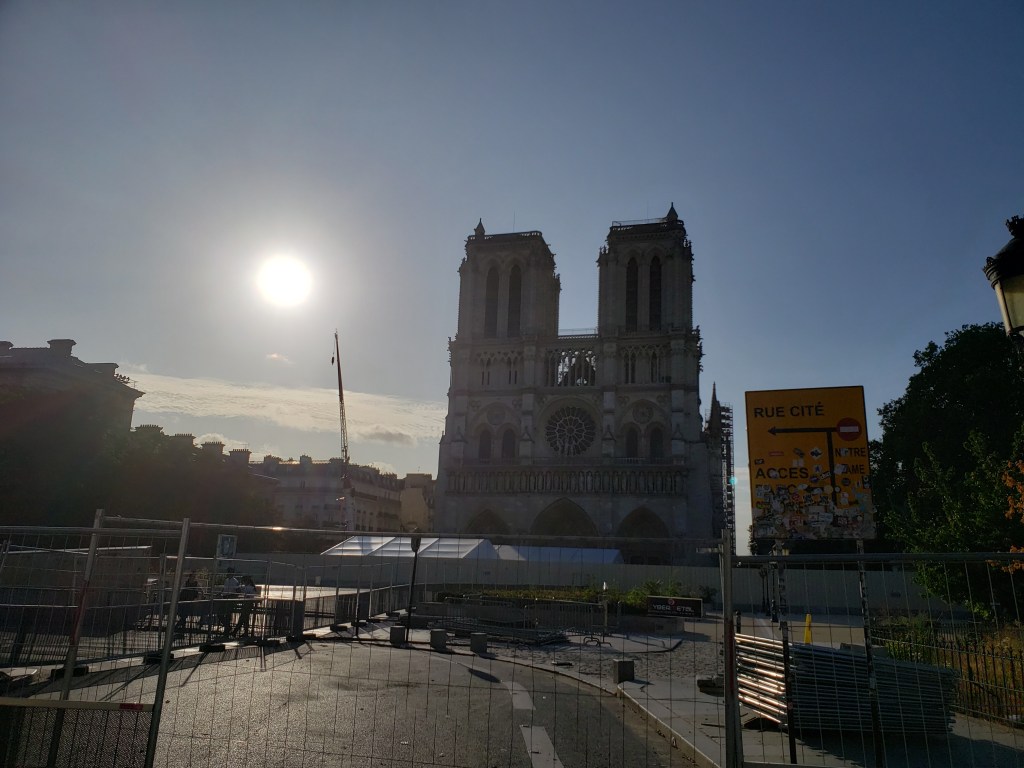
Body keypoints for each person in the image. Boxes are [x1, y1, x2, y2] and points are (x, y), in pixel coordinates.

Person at [219, 568, 240, 635]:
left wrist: (233, 597)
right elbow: (223, 589)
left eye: (229, 572)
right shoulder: (226, 580)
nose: (228, 573)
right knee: (220, 614)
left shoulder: (235, 581)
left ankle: (227, 629)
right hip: (224, 598)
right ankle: (227, 626)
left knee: (228, 615)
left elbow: (238, 591)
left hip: (230, 598)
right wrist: (220, 593)